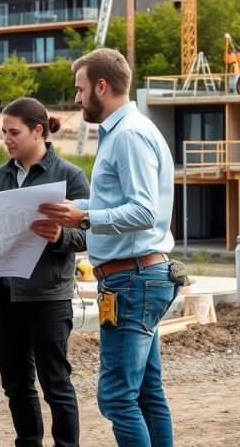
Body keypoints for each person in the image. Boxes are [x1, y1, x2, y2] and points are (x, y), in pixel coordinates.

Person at [39, 48, 181, 447]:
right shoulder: (130, 130)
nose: (77, 99)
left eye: (81, 89)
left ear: (102, 86)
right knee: (147, 392)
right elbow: (114, 204)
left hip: (133, 280)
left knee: (117, 397)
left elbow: (143, 212)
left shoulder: (129, 136)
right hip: (140, 277)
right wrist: (74, 208)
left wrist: (83, 219)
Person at [0, 97, 89, 447]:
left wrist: (61, 235)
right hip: (2, 295)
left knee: (56, 384)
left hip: (47, 297)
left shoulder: (68, 176)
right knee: (15, 384)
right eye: (4, 132)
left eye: (14, 132)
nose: (6, 139)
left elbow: (89, 234)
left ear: (38, 131)